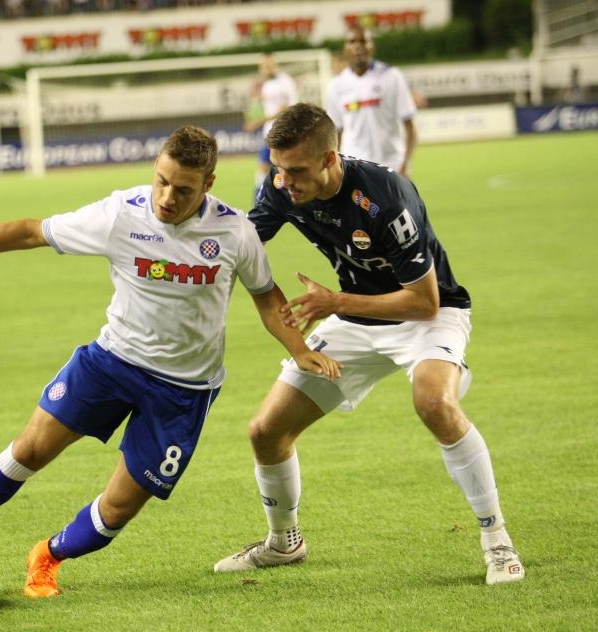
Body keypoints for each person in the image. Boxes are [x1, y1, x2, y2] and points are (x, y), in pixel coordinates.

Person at [0, 125, 340, 598]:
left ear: (208, 184)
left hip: (183, 392)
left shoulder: (235, 232)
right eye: (161, 180)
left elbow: (266, 296)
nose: (167, 197)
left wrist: (299, 350)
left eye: (183, 189)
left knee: (119, 509)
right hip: (111, 362)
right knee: (29, 451)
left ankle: (47, 556)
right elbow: (29, 233)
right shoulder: (120, 214)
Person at [214, 103, 525, 586]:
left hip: (428, 313)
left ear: (330, 159)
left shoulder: (386, 198)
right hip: (352, 316)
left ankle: (497, 539)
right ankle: (284, 543)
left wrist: (335, 299)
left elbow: (424, 301)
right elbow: (242, 243)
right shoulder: (281, 189)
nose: (285, 181)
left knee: (434, 402)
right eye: (278, 169)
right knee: (265, 431)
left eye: (296, 170)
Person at [325, 25, 417, 178]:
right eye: (352, 42)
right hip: (354, 167)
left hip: (391, 164)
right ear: (345, 49)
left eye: (363, 41)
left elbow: (410, 125)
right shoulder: (336, 85)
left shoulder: (392, 76)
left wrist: (405, 163)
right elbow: (335, 133)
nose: (358, 46)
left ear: (372, 46)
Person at [244, 53, 298, 202]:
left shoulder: (285, 82)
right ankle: (260, 201)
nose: (265, 68)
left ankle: (266, 201)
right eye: (263, 66)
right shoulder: (266, 85)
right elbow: (263, 108)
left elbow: (288, 108)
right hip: (268, 133)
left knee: (284, 168)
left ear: (275, 65)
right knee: (264, 168)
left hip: (283, 133)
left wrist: (258, 121)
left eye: (268, 65)